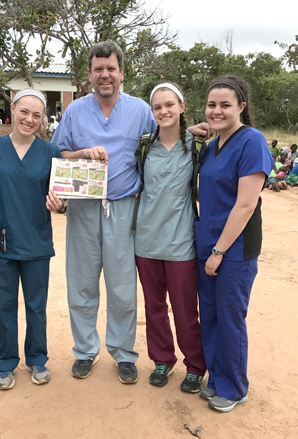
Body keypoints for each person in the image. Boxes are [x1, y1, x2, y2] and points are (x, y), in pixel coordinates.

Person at [52, 40, 210, 384]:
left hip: (125, 207)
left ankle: (123, 353)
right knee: (81, 283)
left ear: (121, 73)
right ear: (90, 76)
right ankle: (85, 350)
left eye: (111, 68)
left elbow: (165, 135)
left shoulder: (140, 109)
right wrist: (82, 154)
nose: (104, 75)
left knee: (122, 286)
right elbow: (59, 153)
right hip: (83, 207)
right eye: (98, 70)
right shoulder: (75, 111)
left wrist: (192, 130)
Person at [195, 76, 273, 412]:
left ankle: (234, 386)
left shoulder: (252, 142)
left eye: (225, 104)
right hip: (207, 242)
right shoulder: (212, 145)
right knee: (209, 316)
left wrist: (219, 251)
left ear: (241, 106)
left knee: (229, 317)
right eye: (212, 104)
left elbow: (245, 205)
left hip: (234, 249)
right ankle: (216, 378)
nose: (217, 111)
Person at [0, 89, 63, 390]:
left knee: (36, 305)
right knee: (3, 306)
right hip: (1, 240)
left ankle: (37, 358)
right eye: (24, 112)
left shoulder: (50, 152)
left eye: (37, 115)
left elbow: (58, 194)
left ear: (43, 119)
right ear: (12, 110)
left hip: (37, 240)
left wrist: (59, 203)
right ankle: (5, 362)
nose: (29, 119)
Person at [135, 83, 206, 392]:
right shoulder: (144, 146)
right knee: (154, 307)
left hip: (181, 242)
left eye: (169, 105)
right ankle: (162, 360)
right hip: (147, 240)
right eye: (157, 107)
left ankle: (195, 365)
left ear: (182, 106)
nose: (163, 111)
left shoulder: (199, 146)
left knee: (185, 308)